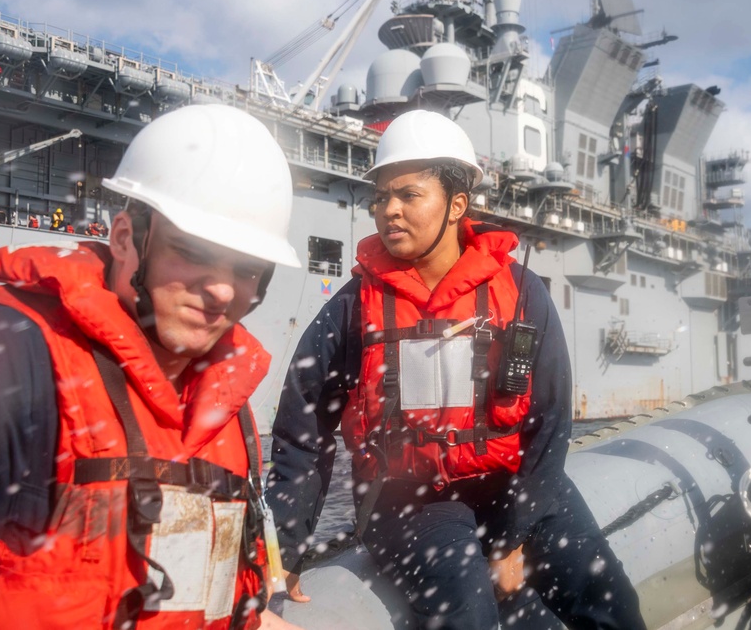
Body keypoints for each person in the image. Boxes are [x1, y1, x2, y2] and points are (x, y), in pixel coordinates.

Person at [267, 110, 647, 629]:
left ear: (457, 204)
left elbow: (550, 419)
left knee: (611, 603)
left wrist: (513, 535)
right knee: (468, 613)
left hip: (512, 483)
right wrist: (286, 546)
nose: (389, 211)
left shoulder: (520, 294)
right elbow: (304, 427)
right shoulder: (354, 307)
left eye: (409, 195)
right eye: (381, 198)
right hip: (407, 497)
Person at [0, 104, 305, 630]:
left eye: (246, 271)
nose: (222, 290)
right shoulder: (9, 356)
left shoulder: (230, 405)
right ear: (126, 238)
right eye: (193, 252)